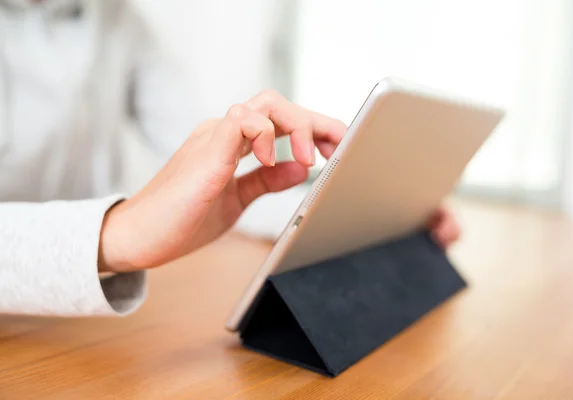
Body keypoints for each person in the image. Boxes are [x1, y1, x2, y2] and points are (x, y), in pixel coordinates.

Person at [0, 0, 461, 317]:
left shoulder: (119, 19)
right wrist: (115, 235)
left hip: (91, 313)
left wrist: (365, 212)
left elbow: (223, 173)